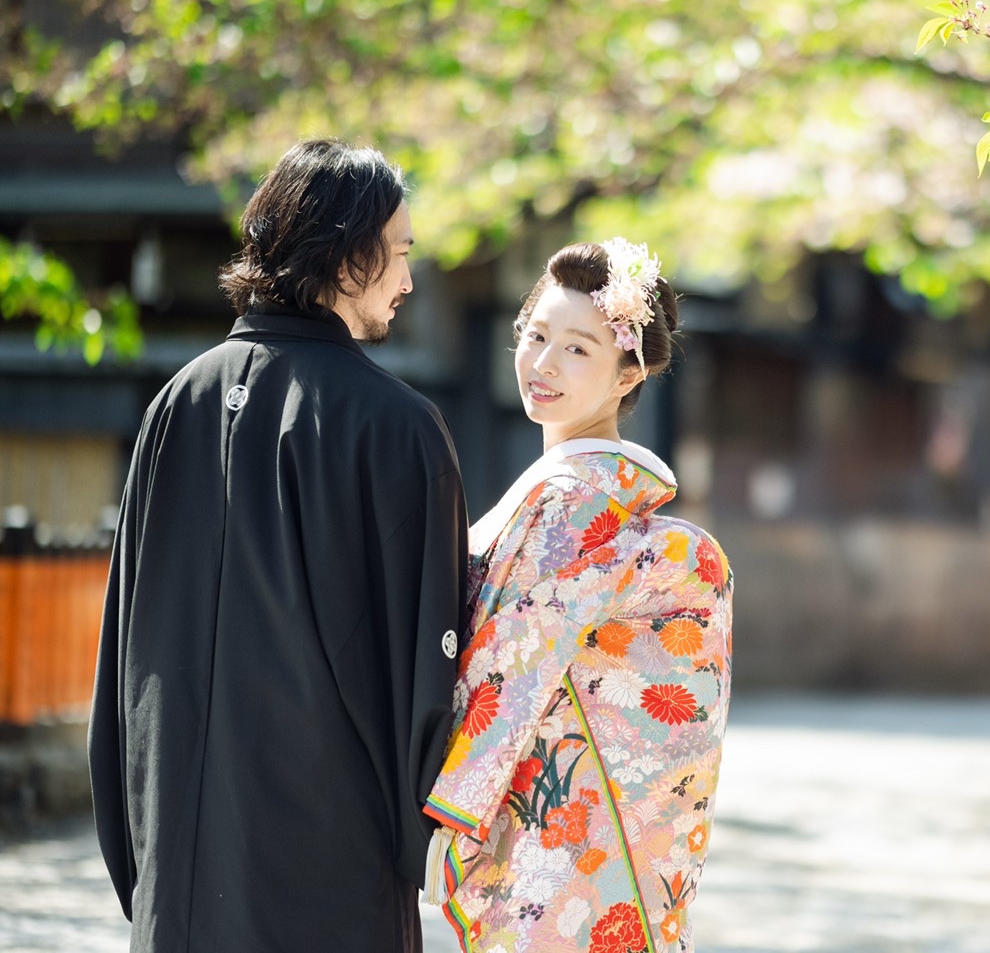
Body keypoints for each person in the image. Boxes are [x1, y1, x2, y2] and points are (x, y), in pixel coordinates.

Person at [88, 138, 468, 952]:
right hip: (330, 863)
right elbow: (430, 668)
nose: (406, 281)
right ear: (343, 254)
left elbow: (124, 646)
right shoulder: (396, 428)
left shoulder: (174, 403)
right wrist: (418, 837)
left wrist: (142, 839)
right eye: (398, 255)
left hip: (181, 854)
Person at [421, 240, 733, 953]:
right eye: (536, 336)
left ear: (631, 373)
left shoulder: (572, 499)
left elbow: (513, 663)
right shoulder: (570, 492)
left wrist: (445, 811)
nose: (544, 364)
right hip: (585, 823)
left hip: (557, 830)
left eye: (578, 350)